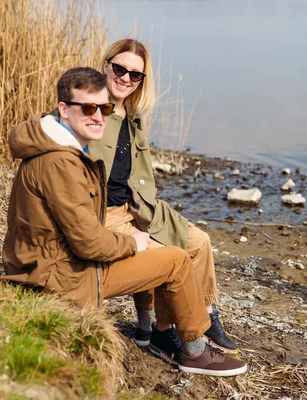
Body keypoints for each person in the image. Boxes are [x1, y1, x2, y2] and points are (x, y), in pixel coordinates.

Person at [0, 67, 247, 377]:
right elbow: (88, 242)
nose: (98, 117)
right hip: (58, 275)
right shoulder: (59, 162)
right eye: (89, 108)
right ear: (64, 110)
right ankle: (195, 352)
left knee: (159, 250)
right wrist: (132, 242)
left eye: (104, 108)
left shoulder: (58, 148)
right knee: (175, 260)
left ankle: (156, 334)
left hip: (47, 263)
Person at [87, 39, 238, 357]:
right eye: (119, 68)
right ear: (105, 65)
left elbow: (138, 176)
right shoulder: (87, 109)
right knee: (166, 256)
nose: (126, 78)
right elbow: (49, 132)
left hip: (137, 207)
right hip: (103, 213)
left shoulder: (133, 116)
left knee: (199, 242)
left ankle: (208, 313)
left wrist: (151, 212)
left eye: (135, 74)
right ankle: (160, 329)